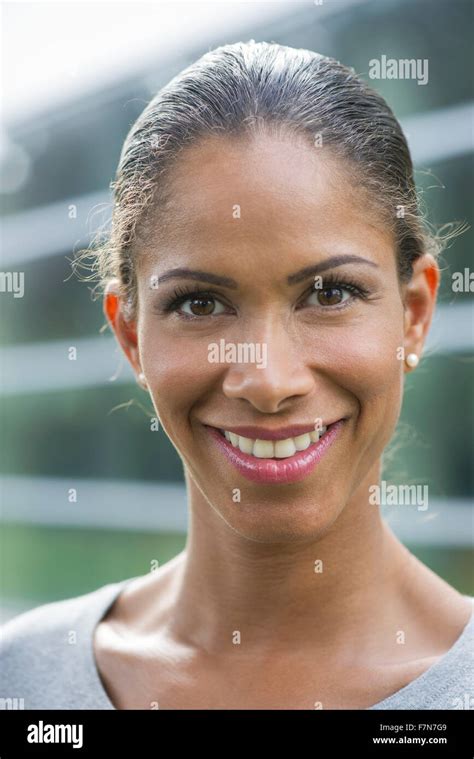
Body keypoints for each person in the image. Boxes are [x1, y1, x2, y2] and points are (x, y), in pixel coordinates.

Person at [1, 41, 472, 710]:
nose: (268, 380)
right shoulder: (20, 681)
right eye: (200, 303)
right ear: (131, 335)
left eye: (330, 293)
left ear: (415, 314)